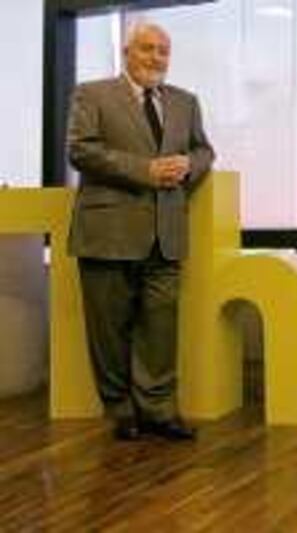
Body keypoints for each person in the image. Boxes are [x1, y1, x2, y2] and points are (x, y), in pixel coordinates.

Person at [67, 21, 215, 441]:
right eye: (147, 49)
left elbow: (205, 149)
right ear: (126, 53)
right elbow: (81, 150)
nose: (156, 58)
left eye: (163, 51)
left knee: (160, 328)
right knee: (109, 328)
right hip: (107, 231)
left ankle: (159, 410)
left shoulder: (186, 102)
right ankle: (119, 409)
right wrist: (144, 171)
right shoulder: (92, 94)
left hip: (166, 233)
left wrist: (190, 165)